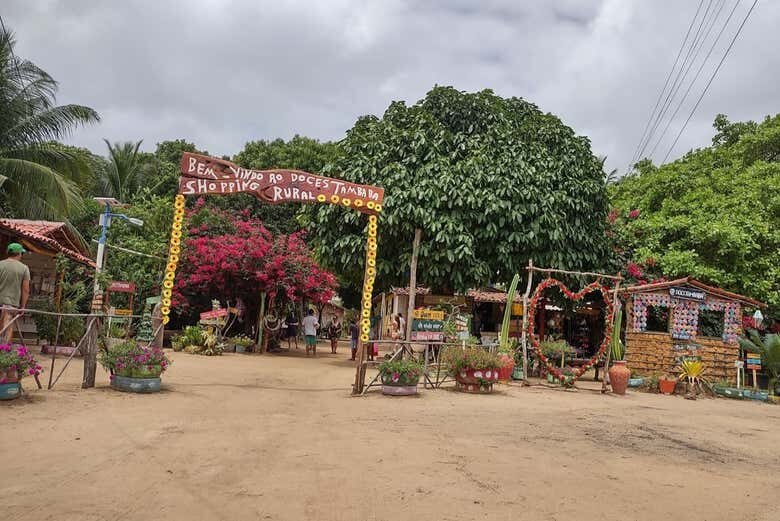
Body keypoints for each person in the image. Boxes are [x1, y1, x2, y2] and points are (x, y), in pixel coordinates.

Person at [0, 243, 30, 342]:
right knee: (7, 329)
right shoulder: (24, 268)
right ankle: (3, 352)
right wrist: (23, 306)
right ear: (19, 254)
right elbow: (25, 289)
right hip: (11, 304)